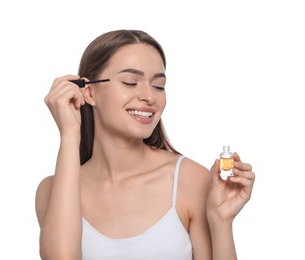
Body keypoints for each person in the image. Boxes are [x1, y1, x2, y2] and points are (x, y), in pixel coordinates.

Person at [35, 29, 255, 260]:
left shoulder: (190, 180)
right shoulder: (52, 190)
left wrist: (221, 221)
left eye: (159, 85)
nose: (150, 96)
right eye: (130, 82)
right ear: (89, 92)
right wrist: (70, 134)